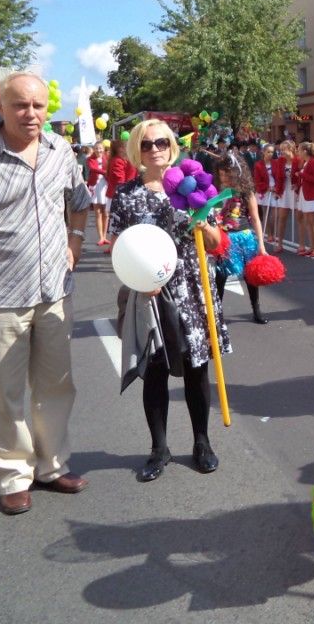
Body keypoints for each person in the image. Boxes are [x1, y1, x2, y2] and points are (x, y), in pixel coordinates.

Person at [0, 72, 91, 515]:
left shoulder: (60, 150)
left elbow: (79, 203)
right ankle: (12, 475)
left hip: (54, 292)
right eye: (20, 105)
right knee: (4, 395)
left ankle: (52, 465)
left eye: (38, 105)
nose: (31, 114)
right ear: (0, 108)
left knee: (56, 387)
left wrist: (75, 242)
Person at [108, 119, 231, 482]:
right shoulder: (127, 194)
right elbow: (118, 246)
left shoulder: (194, 186)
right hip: (149, 293)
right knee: (155, 372)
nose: (155, 149)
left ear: (172, 146)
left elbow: (216, 242)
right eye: (146, 144)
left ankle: (202, 443)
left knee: (196, 368)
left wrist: (203, 223)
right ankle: (158, 449)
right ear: (137, 150)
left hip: (191, 287)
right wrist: (137, 278)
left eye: (161, 142)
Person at [215, 152, 270, 324]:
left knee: (250, 275)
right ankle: (217, 314)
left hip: (244, 237)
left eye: (227, 174)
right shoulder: (217, 191)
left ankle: (256, 310)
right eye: (221, 174)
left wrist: (261, 245)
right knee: (220, 276)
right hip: (224, 237)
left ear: (236, 172)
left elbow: (255, 218)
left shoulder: (246, 192)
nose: (224, 178)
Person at [272, 140, 298, 253]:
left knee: (299, 218)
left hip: (295, 191)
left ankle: (302, 244)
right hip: (284, 191)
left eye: (284, 149)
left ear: (291, 149)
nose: (281, 152)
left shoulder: (298, 160)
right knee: (282, 217)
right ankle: (280, 244)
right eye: (280, 149)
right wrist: (277, 191)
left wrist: (297, 184)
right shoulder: (280, 161)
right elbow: (278, 177)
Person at [252, 143, 280, 242]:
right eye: (268, 152)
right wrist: (267, 188)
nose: (270, 154)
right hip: (264, 191)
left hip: (275, 190)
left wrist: (277, 187)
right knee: (266, 213)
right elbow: (257, 180)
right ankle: (269, 234)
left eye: (272, 152)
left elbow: (280, 177)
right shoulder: (258, 165)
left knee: (275, 215)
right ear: (263, 152)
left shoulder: (276, 163)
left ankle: (275, 233)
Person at [87, 142, 110, 246]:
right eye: (96, 148)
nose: (98, 150)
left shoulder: (107, 158)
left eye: (100, 148)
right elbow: (92, 168)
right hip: (95, 186)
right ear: (94, 149)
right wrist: (104, 172)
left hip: (106, 186)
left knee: (106, 213)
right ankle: (100, 237)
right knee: (98, 213)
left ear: (103, 149)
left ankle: (105, 236)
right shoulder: (90, 159)